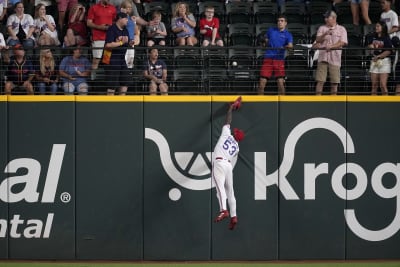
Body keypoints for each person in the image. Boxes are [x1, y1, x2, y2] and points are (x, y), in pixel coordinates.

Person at [213, 101, 244, 231]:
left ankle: (223, 210)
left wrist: (231, 108)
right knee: (230, 192)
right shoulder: (237, 147)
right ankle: (234, 216)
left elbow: (228, 121)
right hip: (228, 166)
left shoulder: (226, 134)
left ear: (234, 134)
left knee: (219, 188)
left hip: (220, 163)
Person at [313, 10, 347, 95]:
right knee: (320, 81)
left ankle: (334, 102)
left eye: (327, 17)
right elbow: (317, 40)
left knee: (334, 83)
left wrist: (331, 46)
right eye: (325, 17)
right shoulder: (322, 28)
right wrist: (325, 34)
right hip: (323, 57)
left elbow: (342, 42)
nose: (325, 19)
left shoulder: (341, 29)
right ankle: (317, 101)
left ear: (334, 18)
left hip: (335, 58)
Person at [258, 15, 293, 95]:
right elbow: (265, 42)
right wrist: (263, 42)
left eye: (282, 21)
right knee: (261, 83)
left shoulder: (288, 34)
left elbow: (290, 46)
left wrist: (285, 46)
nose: (279, 22)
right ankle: (259, 102)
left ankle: (283, 103)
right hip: (268, 58)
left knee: (280, 84)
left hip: (279, 60)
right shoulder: (271, 30)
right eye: (278, 21)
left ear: (285, 23)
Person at [103, 12, 132, 95]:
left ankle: (121, 101)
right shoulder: (112, 29)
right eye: (126, 19)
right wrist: (120, 43)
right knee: (111, 85)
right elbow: (108, 45)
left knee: (125, 81)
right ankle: (110, 104)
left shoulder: (125, 30)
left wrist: (130, 42)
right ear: (120, 18)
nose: (127, 21)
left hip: (122, 59)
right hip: (111, 59)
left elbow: (127, 41)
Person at [87, 0, 117, 80]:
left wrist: (110, 26)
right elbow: (89, 23)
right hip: (97, 38)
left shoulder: (113, 8)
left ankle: (107, 80)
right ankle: (93, 81)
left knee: (107, 60)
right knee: (96, 59)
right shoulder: (94, 8)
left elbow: (115, 22)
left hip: (109, 37)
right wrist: (101, 27)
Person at [366, 21, 393, 95]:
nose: (376, 28)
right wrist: (370, 47)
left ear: (383, 28)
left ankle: (386, 104)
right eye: (376, 26)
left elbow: (389, 51)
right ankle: (373, 104)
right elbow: (370, 46)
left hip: (384, 62)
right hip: (374, 61)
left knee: (382, 85)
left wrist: (379, 56)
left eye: (378, 26)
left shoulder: (386, 38)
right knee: (374, 85)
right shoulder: (373, 36)